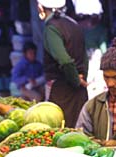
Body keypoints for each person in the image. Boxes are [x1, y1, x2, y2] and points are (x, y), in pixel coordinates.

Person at [36, 0, 89, 128]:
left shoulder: (51, 28)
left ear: (41, 8)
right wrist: (82, 78)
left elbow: (64, 60)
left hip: (61, 91)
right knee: (81, 132)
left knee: (61, 133)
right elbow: (84, 56)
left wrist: (75, 80)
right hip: (79, 91)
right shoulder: (73, 23)